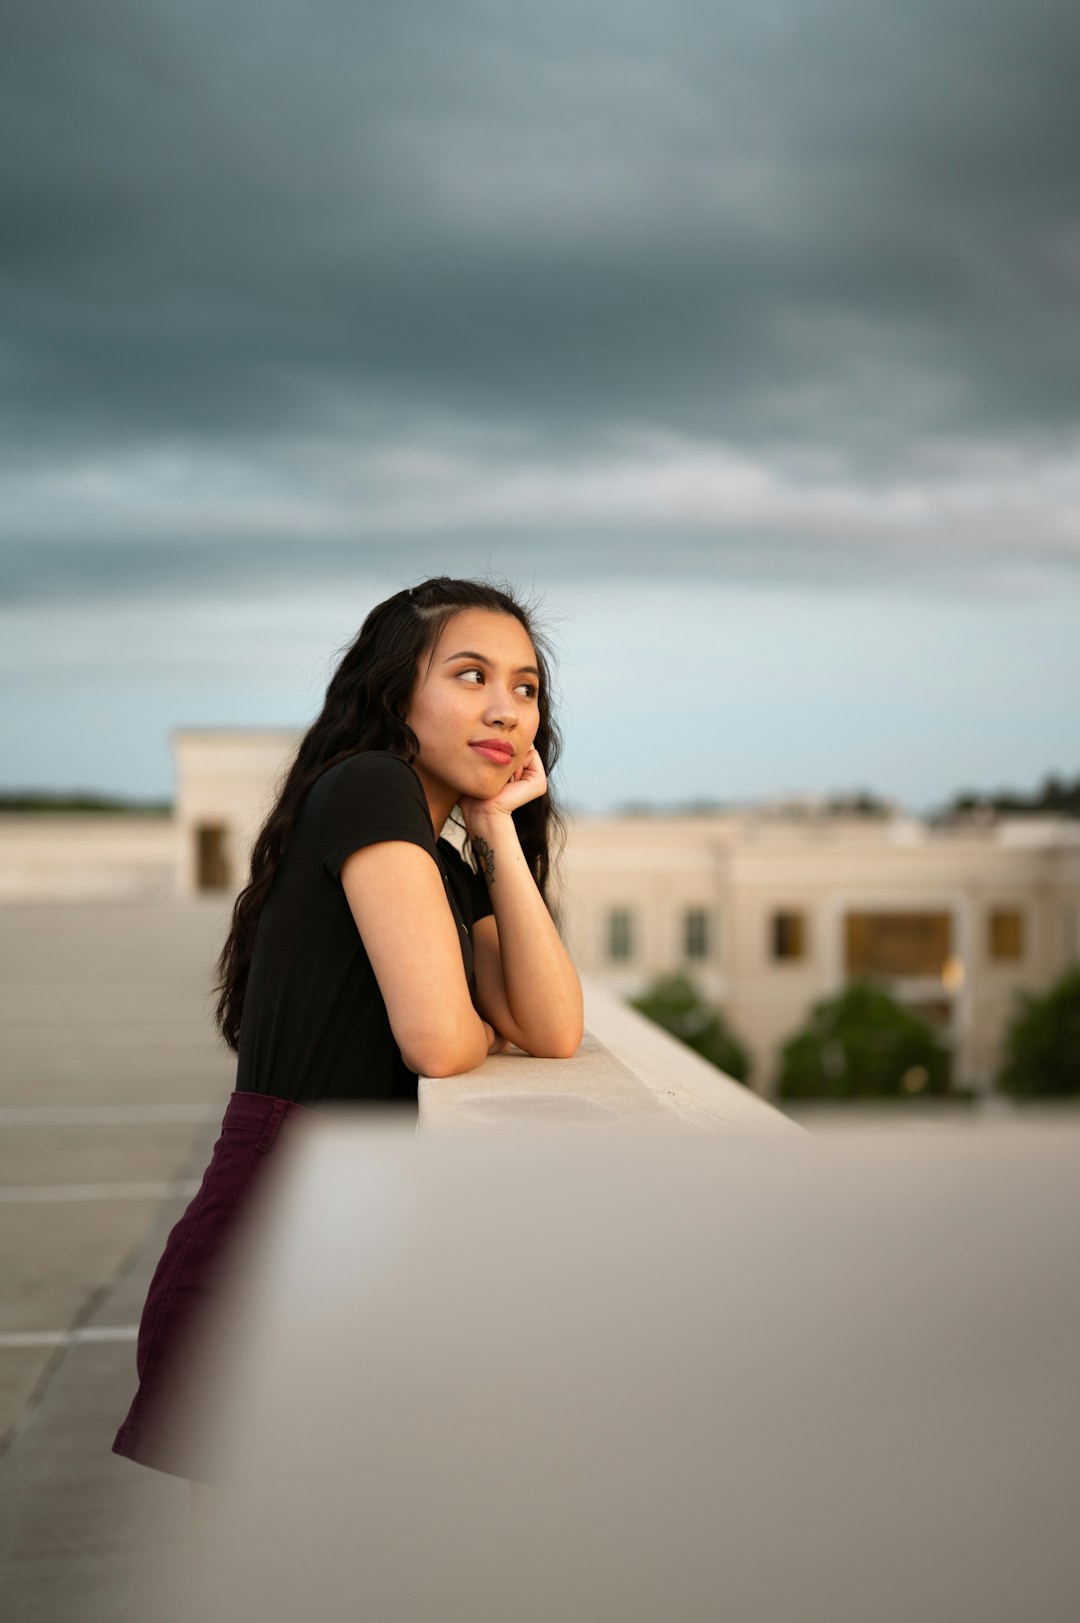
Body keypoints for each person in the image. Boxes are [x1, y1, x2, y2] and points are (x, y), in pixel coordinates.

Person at [110, 576, 583, 1521]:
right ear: (394, 690)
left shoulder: (442, 850)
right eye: (471, 674)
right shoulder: (369, 787)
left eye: (526, 687)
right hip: (282, 1227)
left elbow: (551, 1026)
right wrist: (467, 1017)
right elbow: (443, 1041)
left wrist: (494, 825)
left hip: (346, 1223)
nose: (507, 709)